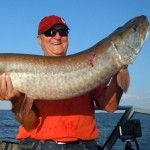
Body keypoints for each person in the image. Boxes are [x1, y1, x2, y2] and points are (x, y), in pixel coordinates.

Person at [0, 15, 129, 150]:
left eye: (63, 32)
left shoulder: (89, 67)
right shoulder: (24, 75)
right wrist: (17, 99)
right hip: (39, 146)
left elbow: (110, 106)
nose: (57, 37)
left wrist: (120, 66)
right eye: (50, 32)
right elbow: (30, 124)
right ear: (39, 39)